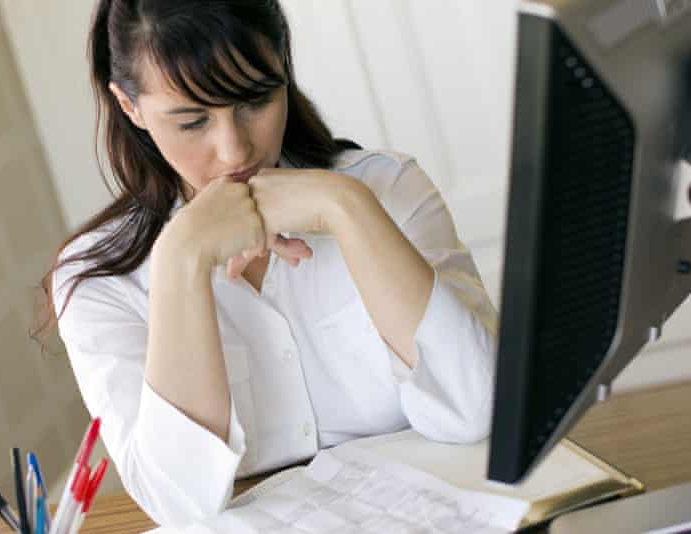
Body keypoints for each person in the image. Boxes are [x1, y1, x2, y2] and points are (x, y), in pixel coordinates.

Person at [41, 0, 498, 527]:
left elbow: (478, 411)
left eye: (254, 101)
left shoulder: (385, 189)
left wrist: (345, 207)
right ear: (130, 106)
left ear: (282, 65)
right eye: (192, 121)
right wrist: (181, 260)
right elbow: (178, 503)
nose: (235, 152)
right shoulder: (97, 279)